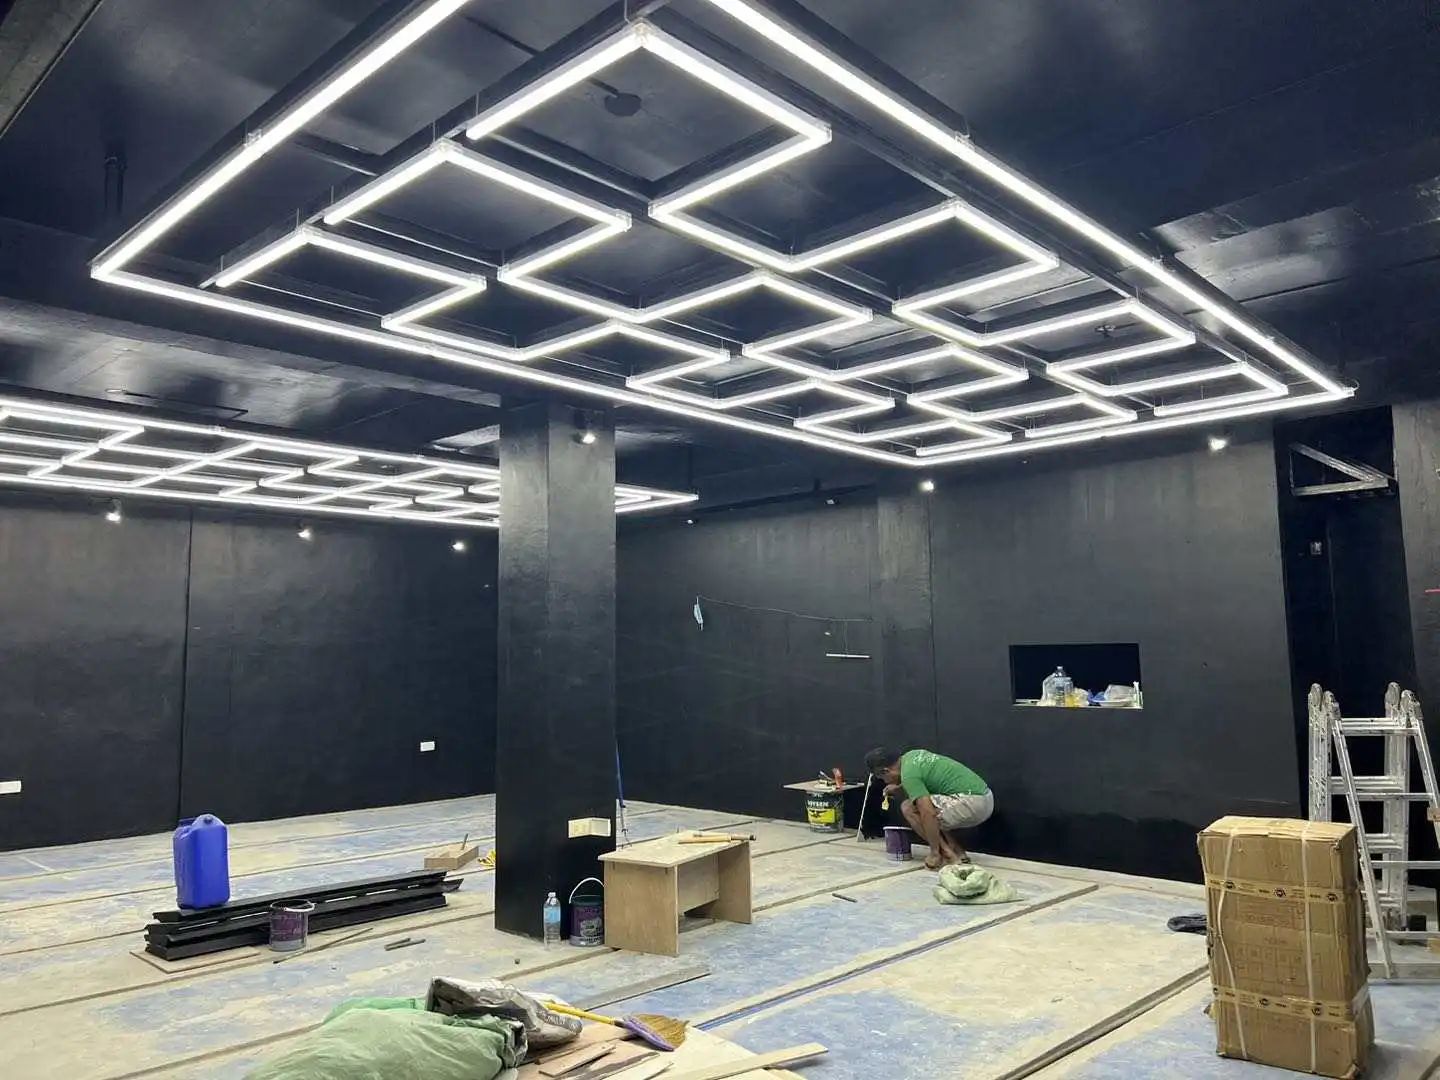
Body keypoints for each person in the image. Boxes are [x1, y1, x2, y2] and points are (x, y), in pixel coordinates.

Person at [864, 746, 993, 869]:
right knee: (932, 805)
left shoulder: (909, 776)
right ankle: (955, 850)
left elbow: (928, 813)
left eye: (882, 778)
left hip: (972, 803)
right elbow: (923, 778)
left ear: (886, 771)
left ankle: (945, 854)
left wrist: (934, 852)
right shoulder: (911, 757)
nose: (886, 782)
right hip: (984, 797)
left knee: (909, 808)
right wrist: (899, 788)